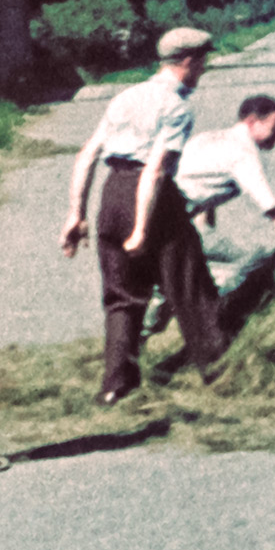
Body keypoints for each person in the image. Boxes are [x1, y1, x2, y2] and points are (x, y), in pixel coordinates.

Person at [61, 27, 215, 403]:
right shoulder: (177, 107)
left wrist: (75, 214)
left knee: (121, 296)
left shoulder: (125, 97)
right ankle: (218, 369)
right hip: (150, 199)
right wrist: (142, 228)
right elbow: (156, 170)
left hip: (111, 193)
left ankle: (116, 384)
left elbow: (87, 154)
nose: (203, 71)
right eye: (203, 63)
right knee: (189, 286)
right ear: (188, 61)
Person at [165, 93, 275, 321]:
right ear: (251, 121)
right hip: (171, 228)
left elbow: (202, 191)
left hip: (172, 221)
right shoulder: (242, 153)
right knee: (257, 257)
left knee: (169, 287)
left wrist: (204, 233)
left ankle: (146, 335)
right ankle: (224, 307)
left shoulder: (209, 138)